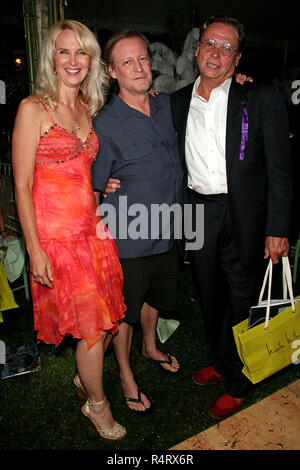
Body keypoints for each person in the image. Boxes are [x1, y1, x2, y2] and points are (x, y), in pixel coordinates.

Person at [170, 15, 293, 419]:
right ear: (197, 49)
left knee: (243, 299)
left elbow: (280, 170)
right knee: (210, 298)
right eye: (210, 44)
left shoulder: (261, 98)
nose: (216, 53)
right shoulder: (176, 101)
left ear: (237, 59)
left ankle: (241, 381)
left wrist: (278, 228)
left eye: (226, 48)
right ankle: (223, 361)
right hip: (198, 212)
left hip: (246, 216)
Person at [11, 20, 126, 440]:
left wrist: (100, 188)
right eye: (64, 51)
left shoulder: (87, 109)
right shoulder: (32, 109)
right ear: (51, 59)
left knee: (109, 321)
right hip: (56, 239)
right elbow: (22, 185)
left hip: (92, 233)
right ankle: (97, 405)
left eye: (82, 52)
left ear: (92, 60)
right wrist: (34, 249)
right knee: (93, 328)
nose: (73, 60)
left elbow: (79, 168)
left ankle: (86, 378)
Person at [92, 30, 183, 412]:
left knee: (156, 297)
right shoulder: (104, 122)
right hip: (127, 234)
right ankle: (126, 373)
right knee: (124, 312)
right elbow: (91, 182)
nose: (138, 67)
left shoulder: (167, 106)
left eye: (143, 58)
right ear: (112, 71)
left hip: (170, 226)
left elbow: (211, 96)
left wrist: (238, 79)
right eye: (127, 61)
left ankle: (150, 346)